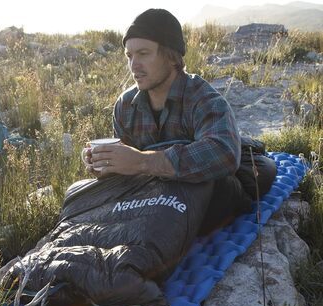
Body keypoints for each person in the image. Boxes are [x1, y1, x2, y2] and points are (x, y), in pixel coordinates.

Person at [84, 8, 241, 184]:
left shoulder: (204, 100)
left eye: (143, 54)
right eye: (129, 56)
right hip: (149, 204)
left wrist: (142, 162)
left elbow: (224, 155)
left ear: (172, 57)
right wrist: (106, 165)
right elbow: (127, 170)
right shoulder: (125, 105)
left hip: (200, 204)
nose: (134, 65)